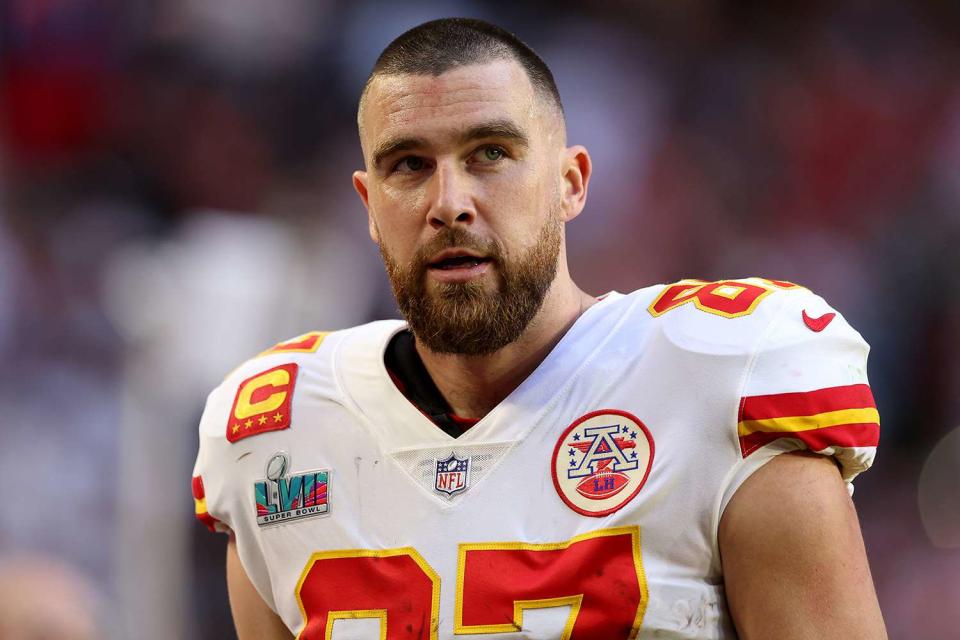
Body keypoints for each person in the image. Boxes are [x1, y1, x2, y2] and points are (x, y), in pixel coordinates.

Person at [191, 17, 887, 639]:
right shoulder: (277, 434)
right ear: (370, 207)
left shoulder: (721, 379)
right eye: (410, 165)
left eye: (490, 153)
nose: (450, 203)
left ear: (571, 183)